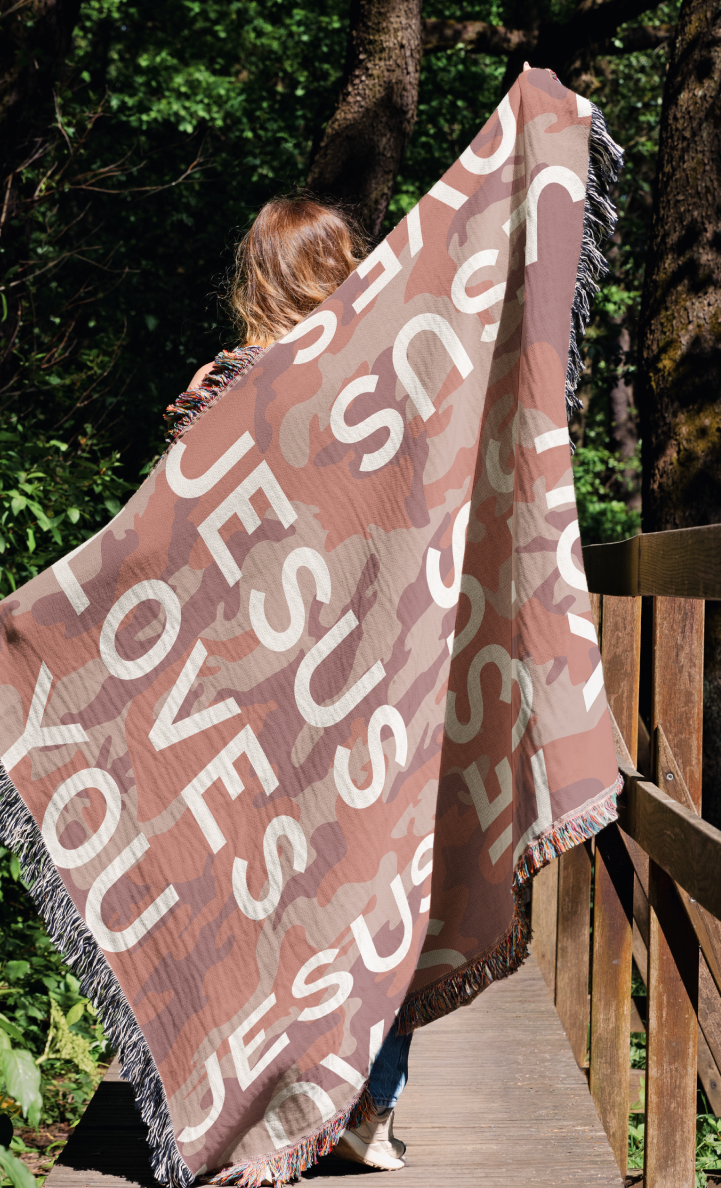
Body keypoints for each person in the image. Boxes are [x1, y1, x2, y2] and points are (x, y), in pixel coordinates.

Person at [164, 195, 411, 1175]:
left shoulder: (209, 390)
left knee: (255, 892)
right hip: (356, 672)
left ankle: (248, 1100)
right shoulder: (373, 381)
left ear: (254, 276)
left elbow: (173, 541)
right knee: (373, 888)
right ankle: (368, 1111)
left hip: (241, 678)